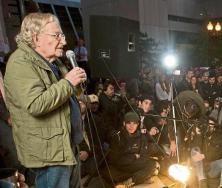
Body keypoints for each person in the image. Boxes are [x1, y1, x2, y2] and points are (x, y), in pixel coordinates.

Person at [4, 13, 86, 188]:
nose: (63, 41)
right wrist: (68, 82)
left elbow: (62, 95)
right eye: (57, 35)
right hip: (50, 154)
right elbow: (35, 104)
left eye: (62, 35)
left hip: (66, 146)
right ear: (36, 38)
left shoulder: (54, 63)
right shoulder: (20, 63)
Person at [104, 112, 159, 187]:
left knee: (152, 164)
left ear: (138, 124)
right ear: (124, 123)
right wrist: (133, 157)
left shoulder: (141, 136)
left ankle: (130, 181)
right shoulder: (118, 137)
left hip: (135, 165)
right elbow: (115, 160)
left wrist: (139, 157)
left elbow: (144, 154)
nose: (131, 126)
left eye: (134, 123)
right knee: (108, 174)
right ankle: (139, 178)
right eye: (129, 123)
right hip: (122, 167)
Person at [190, 117, 222, 188]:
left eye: (211, 126)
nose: (208, 127)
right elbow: (194, 149)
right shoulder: (202, 135)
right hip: (201, 166)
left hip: (213, 167)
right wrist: (199, 135)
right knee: (195, 149)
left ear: (214, 128)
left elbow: (217, 154)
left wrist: (204, 156)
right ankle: (202, 180)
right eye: (207, 125)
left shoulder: (220, 137)